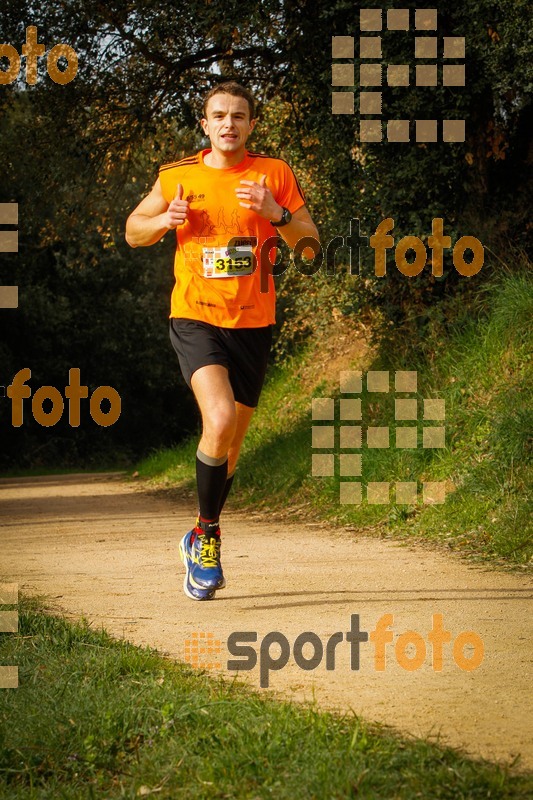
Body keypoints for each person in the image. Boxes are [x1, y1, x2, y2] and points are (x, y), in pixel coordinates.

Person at [125, 81, 319, 601]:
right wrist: (164, 221)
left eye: (238, 116)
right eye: (218, 115)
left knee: (230, 450)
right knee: (220, 419)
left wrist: (274, 212)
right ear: (205, 124)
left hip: (253, 324)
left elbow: (311, 245)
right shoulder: (177, 176)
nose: (228, 123)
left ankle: (197, 528)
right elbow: (132, 229)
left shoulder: (273, 174)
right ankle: (209, 539)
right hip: (196, 317)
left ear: (252, 124)